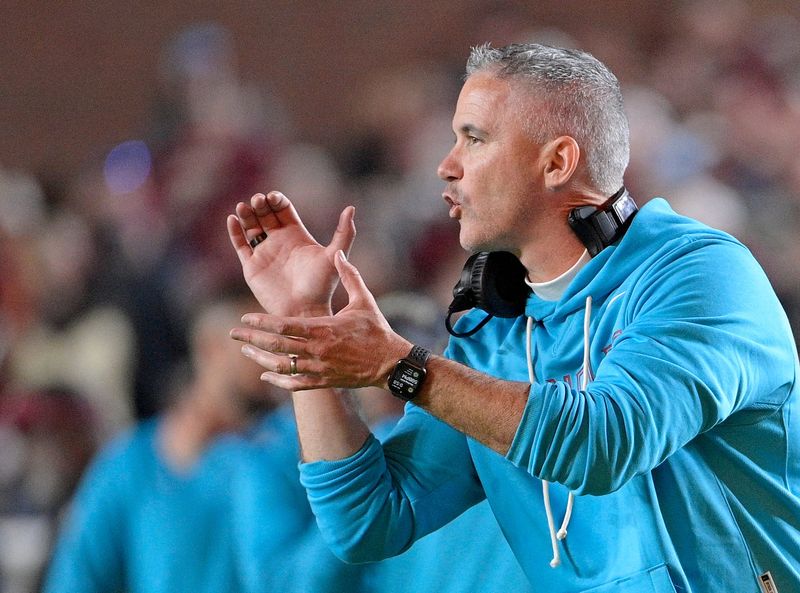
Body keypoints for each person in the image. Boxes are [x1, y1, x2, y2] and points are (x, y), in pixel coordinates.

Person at [226, 43, 800, 592]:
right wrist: (309, 326)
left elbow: (605, 441)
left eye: (474, 139)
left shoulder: (701, 275)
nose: (445, 167)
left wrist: (401, 368)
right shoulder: (491, 333)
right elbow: (370, 520)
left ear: (557, 162)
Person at [43, 295, 279, 593]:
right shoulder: (130, 464)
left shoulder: (282, 457)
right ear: (211, 348)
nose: (278, 358)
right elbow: (77, 579)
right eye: (261, 344)